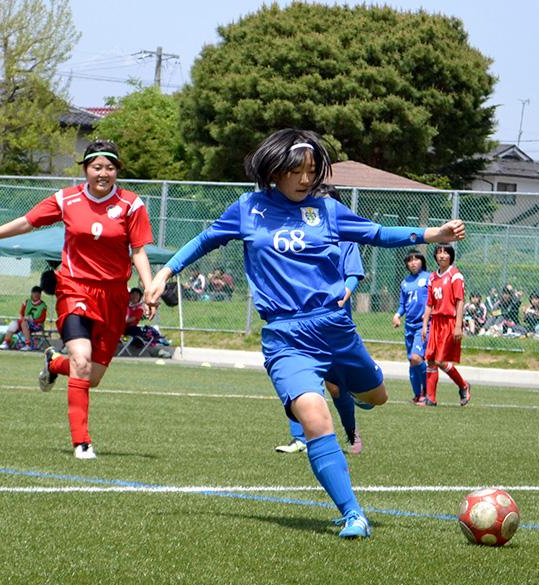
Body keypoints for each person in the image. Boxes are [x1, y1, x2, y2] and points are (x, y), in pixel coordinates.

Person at [144, 128, 465, 538]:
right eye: (296, 170)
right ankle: (353, 514)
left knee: (377, 397)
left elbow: (376, 233)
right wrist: (165, 272)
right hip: (285, 337)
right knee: (315, 418)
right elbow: (205, 241)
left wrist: (429, 235)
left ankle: (345, 384)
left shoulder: (326, 210)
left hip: (334, 330)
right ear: (275, 170)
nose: (304, 179)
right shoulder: (248, 209)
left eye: (312, 171)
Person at [0, 140, 154, 460]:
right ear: (86, 169)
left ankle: (52, 363)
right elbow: (25, 222)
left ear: (118, 171)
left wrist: (148, 290)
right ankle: (82, 442)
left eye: (110, 167)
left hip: (114, 298)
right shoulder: (67, 199)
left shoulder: (132, 205)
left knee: (92, 377)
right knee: (81, 359)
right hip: (74, 289)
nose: (103, 173)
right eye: (96, 167)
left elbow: (139, 251)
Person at [275, 184, 366, 455]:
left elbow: (353, 273)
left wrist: (344, 294)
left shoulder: (345, 236)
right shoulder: (298, 235)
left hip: (334, 321)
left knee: (337, 386)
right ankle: (300, 438)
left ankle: (351, 432)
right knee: (298, 377)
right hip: (299, 322)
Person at [421, 244, 471, 407]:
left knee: (441, 360)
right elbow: (429, 303)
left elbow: (460, 301)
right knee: (431, 360)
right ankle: (431, 398)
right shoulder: (432, 277)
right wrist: (424, 325)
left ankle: (463, 385)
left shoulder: (455, 275)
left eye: (445, 252)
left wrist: (458, 326)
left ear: (451, 255)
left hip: (449, 321)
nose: (442, 255)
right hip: (435, 322)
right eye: (439, 252)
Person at [392, 249, 431, 405]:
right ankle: (417, 395)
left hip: (423, 326)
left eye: (416, 259)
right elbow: (403, 304)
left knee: (416, 358)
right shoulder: (405, 282)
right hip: (409, 326)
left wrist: (430, 313)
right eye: (410, 260)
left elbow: (435, 299)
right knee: (412, 361)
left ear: (422, 261)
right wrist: (397, 315)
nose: (413, 262)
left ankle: (428, 392)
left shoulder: (429, 278)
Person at [0, 286, 48, 350]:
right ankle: (6, 342)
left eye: (37, 294)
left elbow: (42, 319)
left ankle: (28, 345)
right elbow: (21, 314)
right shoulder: (27, 302)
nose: (35, 295)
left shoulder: (42, 305)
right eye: (34, 293)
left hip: (37, 324)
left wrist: (33, 320)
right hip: (25, 322)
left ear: (40, 295)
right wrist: (24, 318)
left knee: (24, 323)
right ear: (31, 294)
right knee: (13, 323)